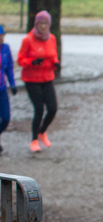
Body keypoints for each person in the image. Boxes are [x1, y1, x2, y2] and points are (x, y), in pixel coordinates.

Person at [18, 10, 59, 153]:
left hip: (47, 78)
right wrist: (32, 62)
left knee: (53, 108)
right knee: (39, 109)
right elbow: (20, 60)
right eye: (41, 23)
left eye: (46, 23)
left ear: (49, 24)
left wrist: (56, 63)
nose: (43, 26)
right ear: (36, 24)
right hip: (32, 79)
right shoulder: (28, 40)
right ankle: (34, 140)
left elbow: (53, 56)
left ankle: (42, 132)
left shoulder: (52, 38)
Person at [0, 25, 17, 154]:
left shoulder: (6, 49)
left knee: (6, 118)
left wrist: (13, 84)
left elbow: (9, 68)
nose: (1, 38)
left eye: (2, 35)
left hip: (2, 89)